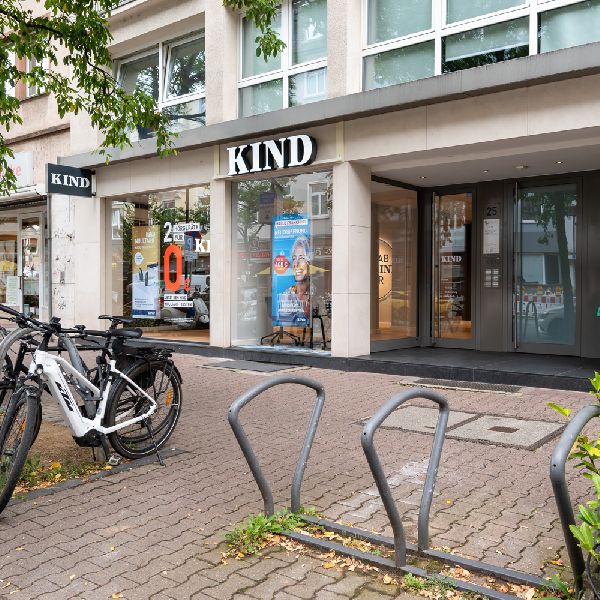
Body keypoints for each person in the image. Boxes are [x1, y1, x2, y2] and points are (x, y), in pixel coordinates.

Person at [277, 236, 311, 326]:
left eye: (301, 258)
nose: (296, 264)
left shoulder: (317, 293)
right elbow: (286, 330)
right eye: (294, 258)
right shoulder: (287, 296)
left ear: (310, 263)